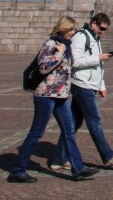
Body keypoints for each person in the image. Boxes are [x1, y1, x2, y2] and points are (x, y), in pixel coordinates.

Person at [8, 16, 100, 183]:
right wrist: (59, 53)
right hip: (46, 95)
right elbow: (43, 68)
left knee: (69, 131)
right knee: (37, 132)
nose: (73, 32)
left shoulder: (67, 46)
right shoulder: (51, 44)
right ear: (63, 29)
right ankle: (17, 170)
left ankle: (78, 169)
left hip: (61, 96)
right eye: (71, 29)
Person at [53, 13, 113, 171]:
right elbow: (75, 61)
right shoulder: (81, 37)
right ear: (93, 23)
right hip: (81, 85)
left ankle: (59, 158)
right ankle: (108, 156)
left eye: (105, 29)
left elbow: (98, 67)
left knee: (72, 123)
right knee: (94, 120)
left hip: (89, 85)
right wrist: (98, 57)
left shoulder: (95, 38)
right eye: (101, 28)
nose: (103, 32)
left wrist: (102, 85)